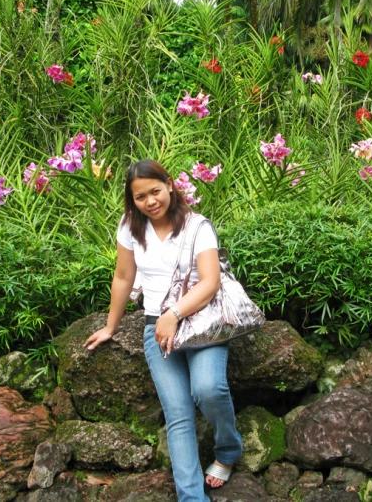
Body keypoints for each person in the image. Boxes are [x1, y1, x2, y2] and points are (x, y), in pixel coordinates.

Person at [84, 159, 242, 502]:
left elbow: (211, 282)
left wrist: (173, 313)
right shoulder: (130, 226)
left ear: (170, 185)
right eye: (140, 197)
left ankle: (228, 449)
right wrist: (111, 326)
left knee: (208, 388)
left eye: (155, 191)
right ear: (132, 200)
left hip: (202, 323)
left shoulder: (197, 226)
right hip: (157, 329)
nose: (150, 201)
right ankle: (192, 498)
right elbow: (124, 277)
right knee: (178, 414)